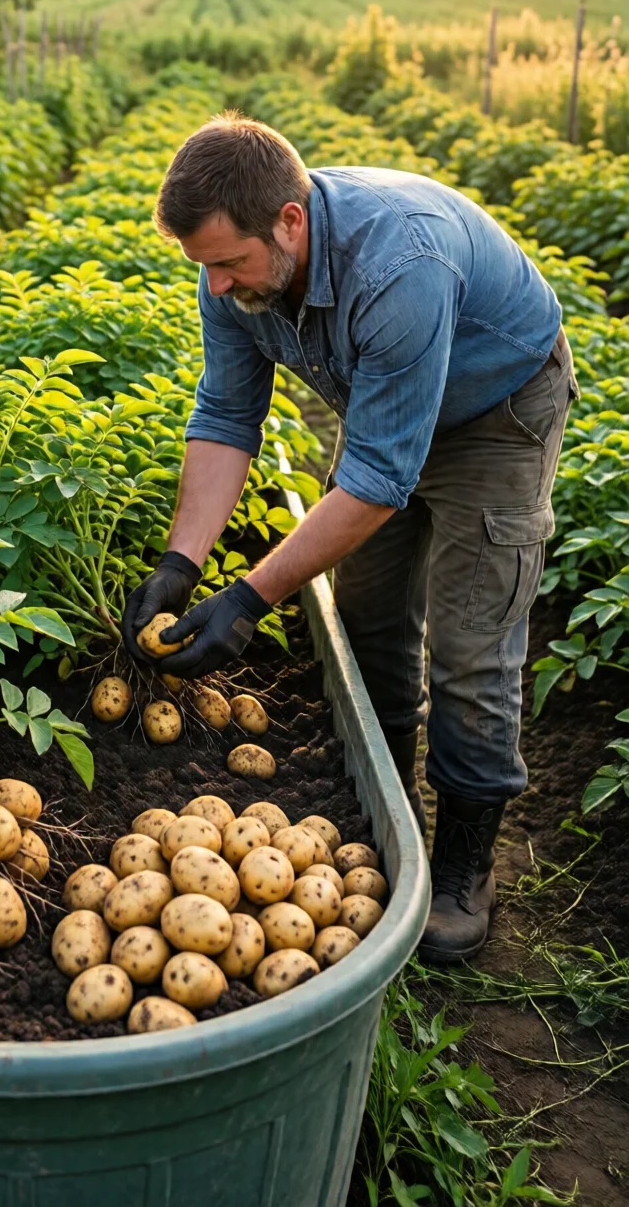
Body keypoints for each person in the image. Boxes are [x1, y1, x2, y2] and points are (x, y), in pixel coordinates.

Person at [122, 113, 577, 964]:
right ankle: (388, 804)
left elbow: (375, 480)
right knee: (366, 613)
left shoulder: (400, 262)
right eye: (204, 266)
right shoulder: (231, 269)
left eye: (228, 263)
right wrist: (182, 563)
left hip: (498, 412)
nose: (217, 286)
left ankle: (465, 867)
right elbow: (226, 415)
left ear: (289, 222)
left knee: (473, 646)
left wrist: (252, 597)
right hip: (388, 403)